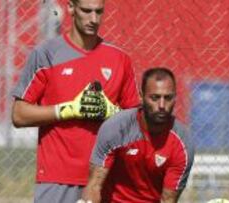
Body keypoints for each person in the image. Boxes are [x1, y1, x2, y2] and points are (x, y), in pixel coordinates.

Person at [11, 0, 140, 202]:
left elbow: (139, 124)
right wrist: (68, 109)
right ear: (71, 8)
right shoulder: (46, 54)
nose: (94, 19)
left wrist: (113, 114)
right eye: (86, 11)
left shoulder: (119, 59)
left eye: (99, 12)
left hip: (105, 178)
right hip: (56, 178)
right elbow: (19, 114)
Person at [81, 67, 194, 203]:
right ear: (141, 96)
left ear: (175, 98)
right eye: (155, 98)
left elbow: (168, 199)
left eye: (168, 98)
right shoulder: (116, 127)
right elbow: (94, 186)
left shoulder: (182, 144)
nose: (162, 105)